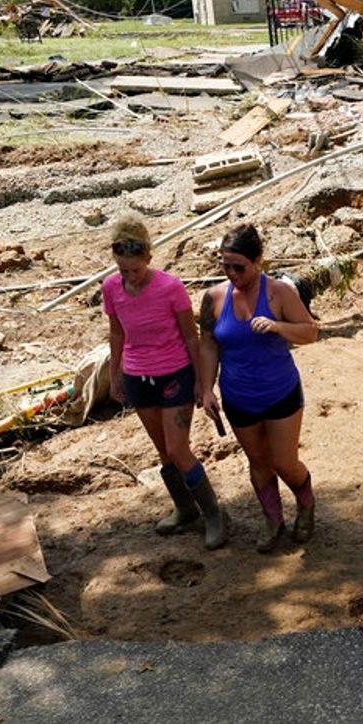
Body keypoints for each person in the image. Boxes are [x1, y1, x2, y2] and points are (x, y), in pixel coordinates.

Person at [102, 215, 227, 550]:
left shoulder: (170, 287)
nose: (129, 277)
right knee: (163, 452)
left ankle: (213, 514)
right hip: (138, 376)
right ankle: (185, 509)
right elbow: (116, 332)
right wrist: (115, 376)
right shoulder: (111, 287)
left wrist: (203, 385)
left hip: (174, 374)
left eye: (135, 270)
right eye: (122, 270)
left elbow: (191, 337)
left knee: (177, 448)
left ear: (149, 259)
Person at [198, 225, 319, 552]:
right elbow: (208, 345)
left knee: (284, 461)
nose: (233, 273)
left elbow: (310, 332)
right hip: (238, 397)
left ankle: (306, 505)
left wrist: (278, 326)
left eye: (240, 266)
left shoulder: (279, 293)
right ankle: (272, 520)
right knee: (258, 461)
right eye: (226, 266)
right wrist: (206, 389)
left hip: (280, 392)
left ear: (259, 261)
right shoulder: (213, 298)